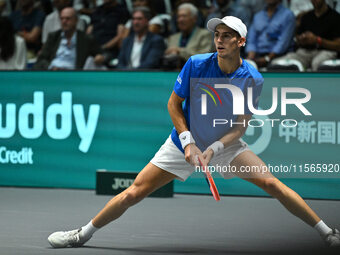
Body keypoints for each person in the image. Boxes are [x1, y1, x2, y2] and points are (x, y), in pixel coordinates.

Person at [47, 16, 340, 249]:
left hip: (224, 145)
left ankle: (328, 233)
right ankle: (82, 234)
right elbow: (174, 104)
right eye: (217, 34)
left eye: (227, 35)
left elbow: (240, 126)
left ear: (241, 41)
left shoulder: (252, 78)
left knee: (272, 184)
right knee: (135, 191)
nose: (219, 40)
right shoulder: (197, 64)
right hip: (182, 143)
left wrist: (214, 148)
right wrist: (187, 142)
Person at [270, 0, 340, 71]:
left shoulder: (335, 17)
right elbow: (297, 39)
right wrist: (302, 39)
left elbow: (338, 45)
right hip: (305, 52)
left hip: (326, 51)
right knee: (277, 63)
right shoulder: (306, 17)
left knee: (317, 63)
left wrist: (317, 40)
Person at [34, 7, 104, 70]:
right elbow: (42, 59)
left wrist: (99, 57)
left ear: (76, 20)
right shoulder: (53, 36)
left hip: (74, 75)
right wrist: (51, 67)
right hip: (54, 73)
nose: (64, 21)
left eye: (68, 19)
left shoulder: (85, 39)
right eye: (62, 19)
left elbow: (101, 54)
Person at [245, 0, 295, 68]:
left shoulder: (288, 15)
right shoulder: (258, 16)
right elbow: (251, 40)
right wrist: (250, 58)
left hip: (280, 56)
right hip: (257, 56)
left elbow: (283, 42)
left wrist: (267, 58)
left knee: (275, 66)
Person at [164, 3, 212, 68]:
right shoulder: (173, 38)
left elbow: (204, 58)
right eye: (178, 17)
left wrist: (179, 51)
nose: (180, 20)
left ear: (194, 19)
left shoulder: (204, 35)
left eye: (184, 16)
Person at [86, 0, 129, 64]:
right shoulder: (97, 11)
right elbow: (88, 32)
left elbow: (120, 36)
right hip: (92, 48)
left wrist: (104, 47)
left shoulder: (121, 11)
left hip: (110, 50)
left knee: (98, 59)